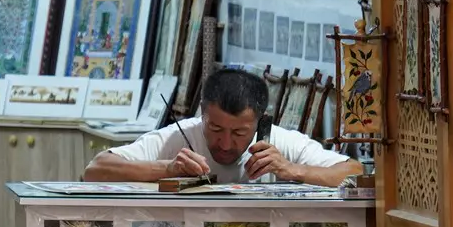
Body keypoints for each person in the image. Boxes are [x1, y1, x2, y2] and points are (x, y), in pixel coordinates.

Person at [83, 67, 362, 186]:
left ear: (260, 121)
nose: (226, 144)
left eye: (240, 133)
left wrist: (292, 170)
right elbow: (96, 170)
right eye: (215, 129)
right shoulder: (178, 137)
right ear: (202, 114)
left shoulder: (278, 141)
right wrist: (168, 169)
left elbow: (355, 172)